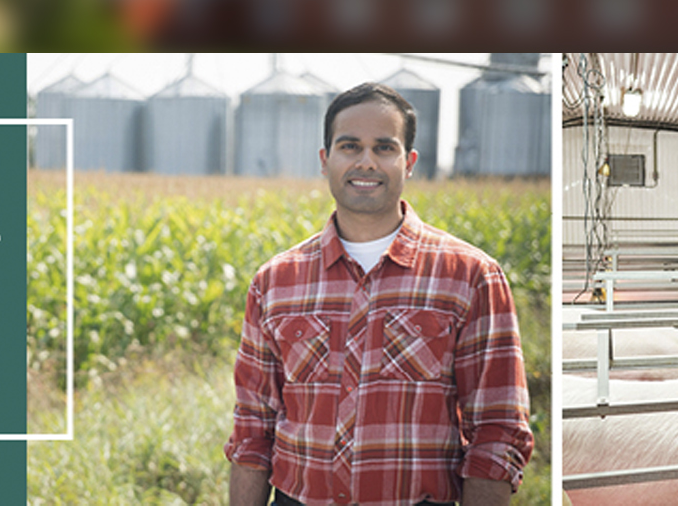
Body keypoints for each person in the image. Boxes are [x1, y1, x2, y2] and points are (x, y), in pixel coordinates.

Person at [224, 82, 535, 506]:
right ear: (325, 160)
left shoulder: (470, 276)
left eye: (384, 148)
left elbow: (497, 432)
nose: (366, 162)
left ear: (408, 163)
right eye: (350, 146)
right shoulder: (276, 282)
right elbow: (252, 429)